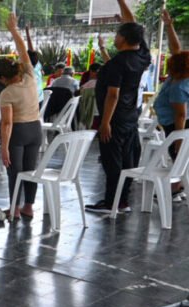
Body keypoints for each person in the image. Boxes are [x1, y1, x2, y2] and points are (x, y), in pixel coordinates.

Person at [85, 0, 151, 213]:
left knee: (112, 160)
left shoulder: (117, 63)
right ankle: (122, 201)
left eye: (117, 34)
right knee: (127, 158)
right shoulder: (142, 57)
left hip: (114, 118)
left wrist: (105, 122)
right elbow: (133, 24)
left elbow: (113, 95)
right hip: (130, 115)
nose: (115, 37)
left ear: (123, 38)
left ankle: (111, 202)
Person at [0, 13, 43, 221]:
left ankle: (14, 208)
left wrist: (3, 148)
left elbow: (6, 123)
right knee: (30, 170)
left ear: (3, 77)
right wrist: (14, 31)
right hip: (35, 129)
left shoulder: (7, 93)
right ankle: (28, 207)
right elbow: (24, 51)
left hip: (19, 132)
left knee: (15, 171)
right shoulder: (30, 76)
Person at [154, 9, 189, 194]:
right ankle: (179, 184)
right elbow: (176, 49)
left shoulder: (178, 85)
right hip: (174, 123)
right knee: (180, 156)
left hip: (176, 125)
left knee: (178, 155)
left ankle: (178, 186)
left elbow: (181, 114)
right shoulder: (182, 77)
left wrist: (178, 140)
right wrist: (169, 26)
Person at [25, 25, 45, 105]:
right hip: (40, 100)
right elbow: (31, 49)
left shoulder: (28, 69)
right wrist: (27, 33)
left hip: (32, 102)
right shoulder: (37, 65)